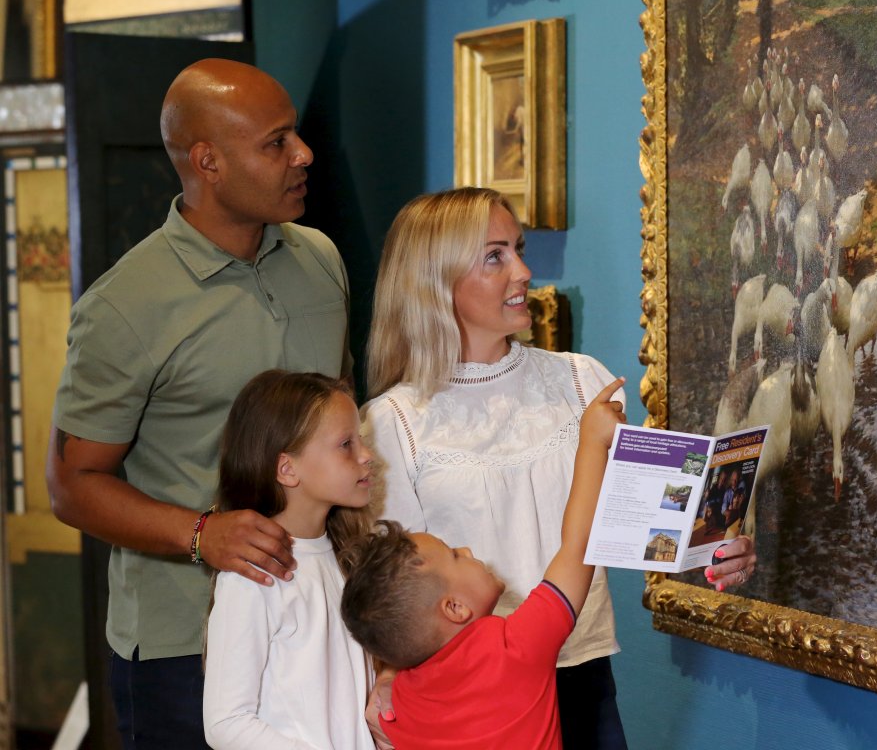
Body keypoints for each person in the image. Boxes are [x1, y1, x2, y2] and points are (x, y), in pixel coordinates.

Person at [360, 187, 757, 749]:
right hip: (469, 702)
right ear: (435, 281)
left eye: (518, 248)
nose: (524, 270)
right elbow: (382, 589)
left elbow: (654, 527)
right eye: (494, 256)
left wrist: (716, 549)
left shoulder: (580, 380)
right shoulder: (390, 423)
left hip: (585, 678)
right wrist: (384, 677)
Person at [45, 58, 353, 748]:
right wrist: (199, 534)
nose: (303, 155)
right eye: (276, 142)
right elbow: (70, 485)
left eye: (294, 135)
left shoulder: (322, 261)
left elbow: (344, 427)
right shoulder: (124, 306)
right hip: (184, 645)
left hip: (321, 617)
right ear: (208, 161)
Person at [342, 378, 627, 749]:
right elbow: (578, 546)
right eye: (455, 555)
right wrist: (591, 441)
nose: (467, 549)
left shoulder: (401, 706)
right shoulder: (514, 649)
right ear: (456, 608)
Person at [204, 370, 375, 749]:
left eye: (360, 440)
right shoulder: (253, 574)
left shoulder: (346, 558)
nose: (366, 456)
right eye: (346, 444)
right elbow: (226, 722)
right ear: (287, 468)